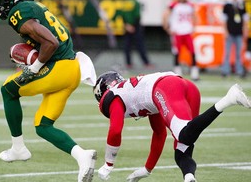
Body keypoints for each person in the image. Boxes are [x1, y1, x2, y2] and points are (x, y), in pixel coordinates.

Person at [0, 0, 96, 182]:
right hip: (72, 69)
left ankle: (17, 148)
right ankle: (83, 156)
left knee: (8, 90)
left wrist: (33, 68)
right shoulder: (31, 5)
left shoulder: (18, 12)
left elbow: (51, 42)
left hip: (60, 68)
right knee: (43, 126)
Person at [92, 71, 251, 182]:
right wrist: (147, 169)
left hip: (166, 87)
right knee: (182, 150)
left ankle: (228, 99)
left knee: (183, 134)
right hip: (185, 87)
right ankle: (189, 177)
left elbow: (115, 130)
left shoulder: (114, 97)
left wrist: (108, 164)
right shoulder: (136, 93)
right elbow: (159, 134)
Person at [162, 0, 199, 81]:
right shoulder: (173, 4)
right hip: (177, 32)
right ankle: (177, 72)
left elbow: (194, 15)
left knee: (192, 51)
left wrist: (194, 26)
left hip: (187, 31)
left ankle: (194, 72)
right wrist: (166, 27)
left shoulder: (189, 4)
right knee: (176, 52)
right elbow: (165, 14)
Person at [121, 0, 153, 70]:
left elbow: (122, 15)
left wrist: (126, 25)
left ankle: (128, 63)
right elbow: (137, 16)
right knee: (140, 45)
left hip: (127, 27)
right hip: (135, 27)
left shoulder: (124, 2)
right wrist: (133, 26)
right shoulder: (135, 2)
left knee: (127, 46)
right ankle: (146, 62)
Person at [221, 0, 249, 78]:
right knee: (227, 52)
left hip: (239, 31)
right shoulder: (227, 4)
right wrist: (225, 31)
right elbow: (224, 19)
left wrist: (245, 29)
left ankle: (239, 70)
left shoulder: (241, 3)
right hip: (230, 31)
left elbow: (245, 18)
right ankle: (225, 70)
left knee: (239, 53)